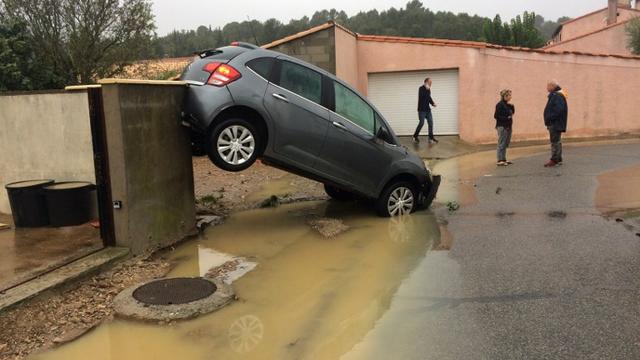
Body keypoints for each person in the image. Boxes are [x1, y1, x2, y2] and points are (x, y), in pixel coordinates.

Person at [543, 80, 568, 167]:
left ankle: (554, 160)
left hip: (555, 123)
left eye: (548, 86)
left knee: (554, 141)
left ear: (552, 86)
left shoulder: (557, 96)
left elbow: (559, 109)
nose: (546, 88)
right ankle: (558, 158)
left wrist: (550, 118)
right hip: (556, 123)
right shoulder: (557, 95)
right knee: (557, 141)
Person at [494, 89, 515, 166]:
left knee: (506, 142)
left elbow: (512, 113)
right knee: (501, 142)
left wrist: (512, 107)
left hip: (508, 126)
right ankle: (500, 160)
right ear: (505, 96)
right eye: (509, 95)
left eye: (510, 95)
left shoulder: (508, 105)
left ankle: (504, 158)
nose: (510, 97)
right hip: (502, 126)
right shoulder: (500, 105)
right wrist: (506, 118)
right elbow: (496, 116)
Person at [414, 78, 438, 144]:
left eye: (431, 83)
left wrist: (433, 103)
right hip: (421, 110)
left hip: (428, 110)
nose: (431, 84)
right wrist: (426, 89)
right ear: (426, 82)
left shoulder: (428, 89)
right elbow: (422, 96)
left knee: (431, 123)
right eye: (430, 82)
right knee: (421, 123)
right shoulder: (421, 88)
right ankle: (415, 136)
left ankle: (431, 138)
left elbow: (429, 97)